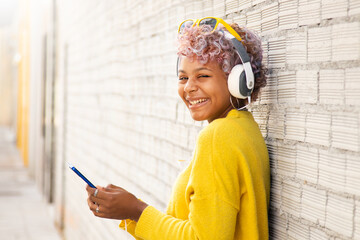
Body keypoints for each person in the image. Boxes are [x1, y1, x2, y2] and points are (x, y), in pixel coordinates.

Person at [86, 17, 270, 240]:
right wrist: (131, 211)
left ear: (239, 81)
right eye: (183, 77)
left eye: (203, 76)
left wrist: (136, 210)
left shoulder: (217, 137)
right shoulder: (244, 128)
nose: (189, 88)